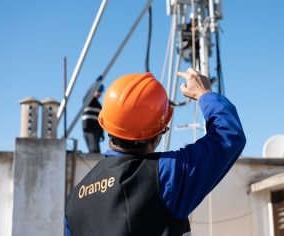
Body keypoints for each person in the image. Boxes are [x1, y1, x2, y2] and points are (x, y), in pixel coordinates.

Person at [65, 69, 246, 236]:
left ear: (106, 125)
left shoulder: (73, 200)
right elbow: (228, 135)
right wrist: (203, 93)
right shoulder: (166, 175)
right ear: (157, 137)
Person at [82, 78, 105, 153]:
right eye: (98, 91)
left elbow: (101, 120)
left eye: (100, 92)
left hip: (96, 131)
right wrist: (97, 83)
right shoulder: (88, 101)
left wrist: (102, 133)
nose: (99, 93)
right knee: (94, 149)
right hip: (89, 129)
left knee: (97, 150)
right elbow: (89, 93)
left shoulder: (99, 106)